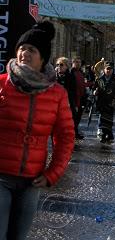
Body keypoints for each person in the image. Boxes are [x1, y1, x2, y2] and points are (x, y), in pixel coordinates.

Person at [0, 21, 75, 240]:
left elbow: (66, 136)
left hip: (32, 181)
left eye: (31, 50)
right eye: (22, 48)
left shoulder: (57, 93)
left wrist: (53, 173)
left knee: (18, 236)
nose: (24, 53)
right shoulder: (2, 84)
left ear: (42, 59)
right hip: (1, 176)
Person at [94, 63, 115, 143]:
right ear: (104, 69)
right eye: (107, 69)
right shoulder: (100, 79)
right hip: (102, 102)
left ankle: (109, 134)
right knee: (102, 119)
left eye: (110, 69)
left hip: (111, 102)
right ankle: (103, 135)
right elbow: (95, 88)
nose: (108, 70)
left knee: (109, 120)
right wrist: (95, 92)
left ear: (113, 70)